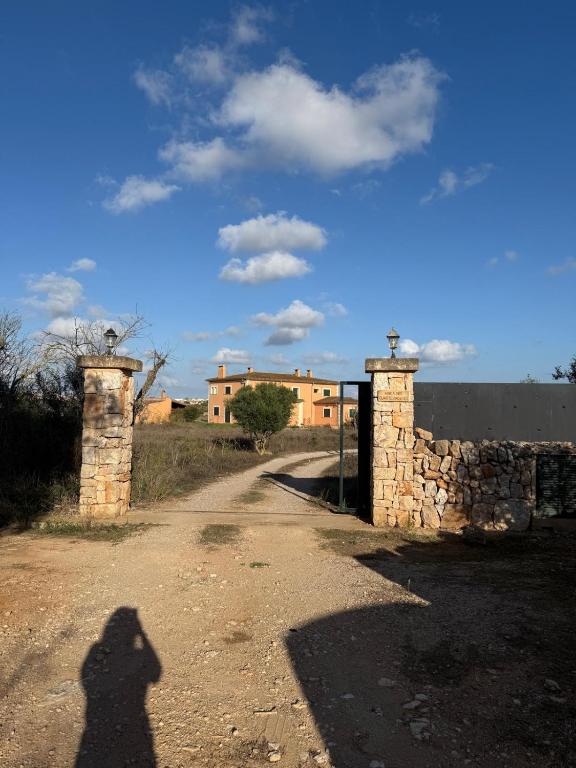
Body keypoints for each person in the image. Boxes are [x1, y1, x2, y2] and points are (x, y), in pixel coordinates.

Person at [75, 607, 161, 767]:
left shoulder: (95, 650)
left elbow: (86, 680)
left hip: (96, 725)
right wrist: (143, 635)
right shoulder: (98, 651)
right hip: (133, 722)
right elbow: (155, 673)